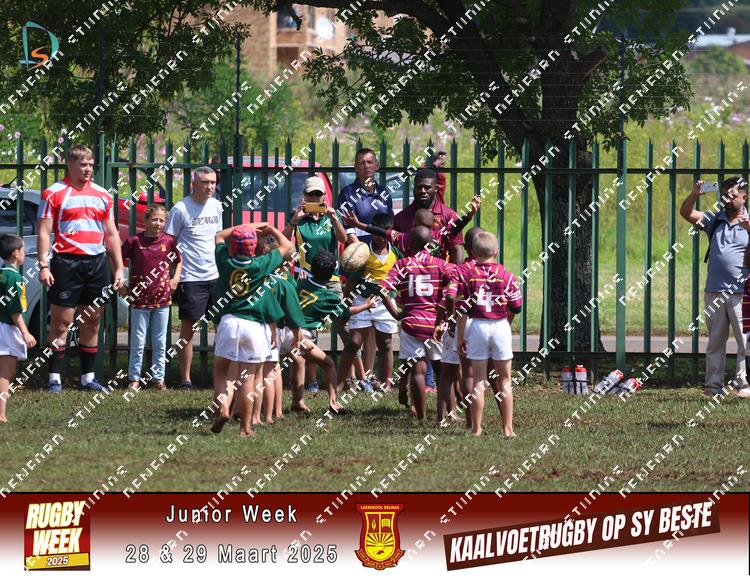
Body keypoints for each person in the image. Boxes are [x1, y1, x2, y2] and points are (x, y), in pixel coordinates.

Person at [37, 143, 125, 393]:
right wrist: (44, 265)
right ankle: (54, 378)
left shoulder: (103, 194)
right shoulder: (53, 193)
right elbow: (43, 231)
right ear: (70, 164)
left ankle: (88, 378)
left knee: (92, 321)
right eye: (83, 164)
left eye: (91, 165)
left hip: (96, 264)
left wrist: (119, 268)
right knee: (61, 323)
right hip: (66, 262)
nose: (88, 169)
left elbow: (111, 233)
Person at [210, 222, 293, 436]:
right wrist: (271, 229)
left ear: (233, 246)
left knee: (222, 372)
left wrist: (245, 226)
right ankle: (245, 428)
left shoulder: (225, 261)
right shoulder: (261, 264)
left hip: (229, 322)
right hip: (253, 326)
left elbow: (219, 236)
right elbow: (287, 247)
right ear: (253, 247)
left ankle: (224, 408)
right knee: (248, 378)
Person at [283, 176, 364, 393]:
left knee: (345, 327)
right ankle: (311, 382)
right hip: (307, 280)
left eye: (318, 194)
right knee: (310, 330)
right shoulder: (298, 218)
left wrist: (334, 217)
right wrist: (294, 221)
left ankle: (353, 378)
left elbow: (343, 239)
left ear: (324, 197)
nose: (314, 198)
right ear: (304, 196)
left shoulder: (330, 217)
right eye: (310, 194)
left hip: (331, 280)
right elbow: (282, 241)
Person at [681, 177, 750, 398]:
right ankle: (713, 388)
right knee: (715, 342)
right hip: (714, 291)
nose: (728, 199)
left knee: (745, 342)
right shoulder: (715, 219)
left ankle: (743, 385)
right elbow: (686, 213)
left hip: (741, 293)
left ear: (744, 196)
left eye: (733, 195)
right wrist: (694, 194)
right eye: (725, 195)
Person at [376, 226, 453, 421]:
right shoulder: (441, 265)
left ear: (410, 245)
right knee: (443, 372)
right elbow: (455, 285)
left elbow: (383, 289)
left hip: (411, 323)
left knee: (418, 371)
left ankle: (421, 416)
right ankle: (448, 414)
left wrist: (396, 314)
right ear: (431, 245)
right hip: (436, 324)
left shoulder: (402, 265)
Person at [449, 232, 521, 438]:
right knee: (505, 380)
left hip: (478, 326)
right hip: (500, 325)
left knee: (478, 380)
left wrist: (460, 338)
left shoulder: (468, 275)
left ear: (472, 252)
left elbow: (462, 309)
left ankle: (476, 428)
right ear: (496, 252)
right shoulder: (506, 275)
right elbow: (516, 305)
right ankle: (508, 429)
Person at [295, 250, 375, 414]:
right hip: (302, 336)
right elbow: (345, 312)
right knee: (329, 364)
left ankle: (295, 402)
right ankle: (333, 403)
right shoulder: (328, 296)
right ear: (332, 274)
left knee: (289, 366)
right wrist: (366, 306)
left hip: (285, 331)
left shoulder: (301, 283)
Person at [165, 166, 223, 390]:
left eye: (213, 182)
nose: (210, 187)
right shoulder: (180, 209)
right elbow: (168, 243)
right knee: (188, 331)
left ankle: (219, 377)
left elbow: (217, 237)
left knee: (223, 327)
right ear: (194, 184)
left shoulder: (216, 205)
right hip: (190, 277)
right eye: (205, 182)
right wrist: (173, 273)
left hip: (215, 275)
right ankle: (186, 380)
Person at [120, 204, 182, 392]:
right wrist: (120, 283)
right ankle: (134, 379)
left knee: (160, 342)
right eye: (154, 219)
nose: (158, 224)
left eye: (162, 220)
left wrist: (175, 279)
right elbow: (116, 259)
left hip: (162, 299)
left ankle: (158, 379)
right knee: (138, 341)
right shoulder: (134, 241)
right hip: (139, 300)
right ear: (145, 221)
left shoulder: (168, 241)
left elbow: (179, 261)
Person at [338, 212, 401, 394]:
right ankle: (341, 381)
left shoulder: (396, 252)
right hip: (362, 301)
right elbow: (351, 282)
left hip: (385, 304)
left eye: (384, 233)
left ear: (390, 232)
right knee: (354, 342)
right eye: (376, 233)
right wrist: (346, 304)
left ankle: (387, 384)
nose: (380, 238)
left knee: (386, 344)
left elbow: (403, 275)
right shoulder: (363, 251)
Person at [436, 226, 485, 426]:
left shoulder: (458, 270)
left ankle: (440, 418)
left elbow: (448, 297)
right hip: (478, 324)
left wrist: (448, 319)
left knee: (446, 374)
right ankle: (471, 421)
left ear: (467, 248)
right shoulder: (490, 270)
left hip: (456, 323)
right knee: (470, 374)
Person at [393, 168, 464, 264]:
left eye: (427, 187)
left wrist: (454, 273)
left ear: (436, 188)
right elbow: (394, 250)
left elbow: (457, 249)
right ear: (414, 188)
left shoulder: (450, 216)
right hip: (410, 271)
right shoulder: (400, 218)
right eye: (419, 187)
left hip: (440, 271)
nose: (423, 191)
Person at [0, 235, 36, 421]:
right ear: (15, 253)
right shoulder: (14, 277)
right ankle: (1, 414)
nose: (24, 254)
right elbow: (14, 310)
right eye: (23, 250)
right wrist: (25, 332)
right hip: (6, 329)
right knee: (5, 372)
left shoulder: (2, 274)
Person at [336, 148, 393, 245]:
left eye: (369, 162)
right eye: (361, 163)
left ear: (377, 165)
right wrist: (364, 251)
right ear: (356, 167)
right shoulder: (347, 194)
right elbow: (348, 232)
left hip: (384, 253)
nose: (366, 166)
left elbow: (390, 229)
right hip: (359, 252)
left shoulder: (384, 193)